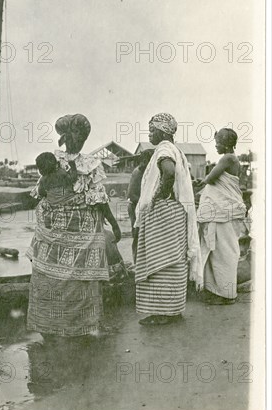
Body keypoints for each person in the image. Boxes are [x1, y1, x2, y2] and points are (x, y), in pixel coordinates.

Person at [26, 114, 121, 337]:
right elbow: (100, 200)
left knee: (59, 278)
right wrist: (114, 225)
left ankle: (54, 325)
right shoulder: (83, 164)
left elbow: (39, 194)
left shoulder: (55, 162)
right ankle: (76, 326)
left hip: (57, 232)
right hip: (78, 231)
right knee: (79, 278)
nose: (79, 140)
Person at [134, 113, 203, 325]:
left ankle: (162, 313)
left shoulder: (164, 149)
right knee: (174, 260)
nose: (149, 133)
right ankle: (172, 310)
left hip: (164, 211)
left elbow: (169, 172)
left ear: (163, 131)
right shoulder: (176, 150)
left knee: (158, 260)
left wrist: (157, 196)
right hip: (175, 211)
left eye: (152, 129)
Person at [196, 128, 246, 305]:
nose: (215, 146)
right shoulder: (232, 159)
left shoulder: (227, 158)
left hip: (224, 212)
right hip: (224, 212)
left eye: (217, 142)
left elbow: (211, 178)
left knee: (223, 252)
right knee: (219, 251)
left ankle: (226, 294)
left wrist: (199, 182)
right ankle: (219, 291)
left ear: (225, 143)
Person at [127, 149, 155, 263]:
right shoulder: (139, 172)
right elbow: (132, 195)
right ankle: (138, 263)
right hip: (135, 206)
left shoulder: (146, 172)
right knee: (138, 234)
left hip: (141, 206)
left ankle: (143, 262)